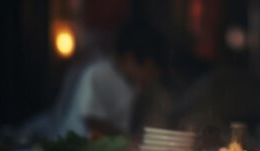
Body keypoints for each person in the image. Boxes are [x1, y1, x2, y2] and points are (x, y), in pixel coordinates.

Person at [19, 21, 169, 141]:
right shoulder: (98, 72)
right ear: (129, 59)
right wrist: (128, 138)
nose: (151, 77)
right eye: (149, 70)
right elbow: (92, 120)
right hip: (72, 149)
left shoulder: (131, 85)